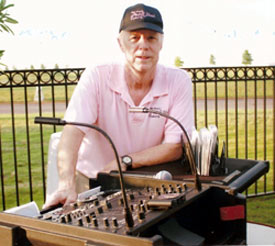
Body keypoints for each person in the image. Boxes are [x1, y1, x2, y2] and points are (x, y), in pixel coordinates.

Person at [43, 3, 194, 209]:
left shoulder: (179, 81)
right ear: (121, 43)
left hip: (146, 181)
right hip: (92, 180)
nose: (143, 45)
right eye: (134, 38)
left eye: (151, 37)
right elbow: (73, 130)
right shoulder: (97, 75)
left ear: (161, 43)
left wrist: (125, 161)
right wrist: (66, 184)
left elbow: (175, 147)